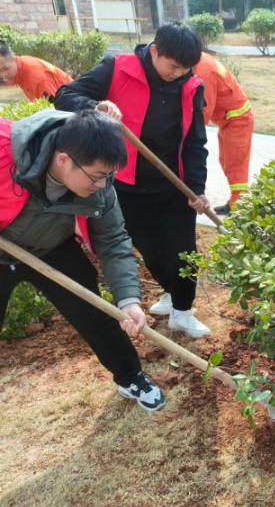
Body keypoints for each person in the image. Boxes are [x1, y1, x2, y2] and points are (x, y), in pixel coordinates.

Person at [55, 23, 214, 340]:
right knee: (149, 248)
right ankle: (171, 292)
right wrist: (96, 108)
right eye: (174, 66)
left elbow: (196, 141)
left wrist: (196, 188)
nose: (179, 73)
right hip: (127, 185)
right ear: (154, 51)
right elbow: (64, 95)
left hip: (173, 183)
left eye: (185, 68)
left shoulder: (191, 86)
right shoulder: (117, 68)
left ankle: (182, 312)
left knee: (183, 249)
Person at [0, 109, 165, 410]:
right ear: (64, 160)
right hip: (3, 248)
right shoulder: (7, 153)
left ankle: (131, 377)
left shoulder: (100, 188)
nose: (102, 185)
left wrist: (128, 300)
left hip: (53, 247)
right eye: (97, 176)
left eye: (108, 175)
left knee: (95, 314)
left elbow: (113, 241)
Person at [193, 52, 254, 216]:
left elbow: (204, 111)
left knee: (236, 166)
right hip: (229, 120)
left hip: (237, 121)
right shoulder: (201, 60)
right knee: (226, 161)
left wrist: (190, 133)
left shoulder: (204, 71)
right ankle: (235, 201)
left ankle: (239, 209)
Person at [0, 44, 70, 102]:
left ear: (14, 59)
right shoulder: (20, 68)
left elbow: (51, 108)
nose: (3, 75)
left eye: (6, 69)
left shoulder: (35, 76)